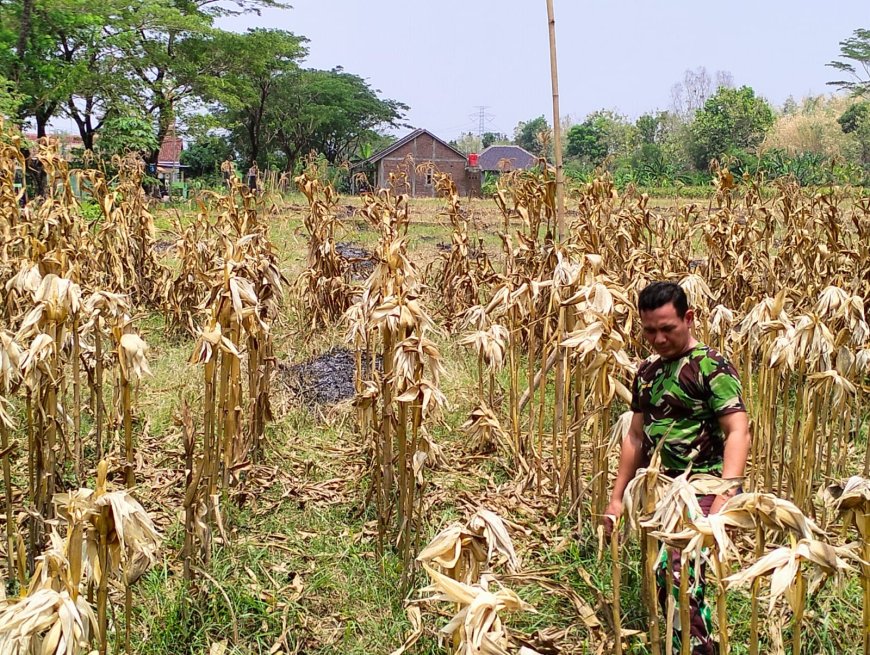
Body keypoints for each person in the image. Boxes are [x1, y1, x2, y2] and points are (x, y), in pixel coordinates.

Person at [603, 281, 750, 655]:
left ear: (689, 318)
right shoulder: (647, 371)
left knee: (681, 571)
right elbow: (635, 437)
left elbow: (737, 431)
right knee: (664, 573)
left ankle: (699, 649)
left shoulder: (711, 366)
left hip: (703, 486)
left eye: (667, 328)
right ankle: (676, 643)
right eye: (649, 330)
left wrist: (724, 494)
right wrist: (617, 498)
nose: (658, 338)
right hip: (661, 489)